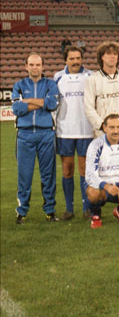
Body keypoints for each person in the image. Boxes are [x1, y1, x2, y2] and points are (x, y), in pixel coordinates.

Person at [12, 53, 60, 224]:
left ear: (42, 66)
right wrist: (40, 102)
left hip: (46, 133)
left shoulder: (50, 84)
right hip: (25, 135)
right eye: (31, 64)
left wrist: (28, 101)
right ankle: (22, 211)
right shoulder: (19, 85)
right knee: (24, 175)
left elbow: (52, 104)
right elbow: (17, 108)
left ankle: (50, 211)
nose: (35, 68)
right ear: (26, 66)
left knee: (48, 175)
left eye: (38, 64)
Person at [54, 46, 93, 220]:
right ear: (66, 60)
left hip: (86, 130)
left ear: (82, 59)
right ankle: (69, 209)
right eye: (72, 58)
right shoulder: (58, 77)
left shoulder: (91, 76)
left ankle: (86, 208)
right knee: (67, 169)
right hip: (65, 130)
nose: (75, 61)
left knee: (84, 170)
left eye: (78, 58)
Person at [84, 41, 119, 138]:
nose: (112, 56)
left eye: (115, 54)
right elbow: (88, 107)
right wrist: (102, 126)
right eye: (108, 54)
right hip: (102, 133)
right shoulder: (93, 79)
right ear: (102, 57)